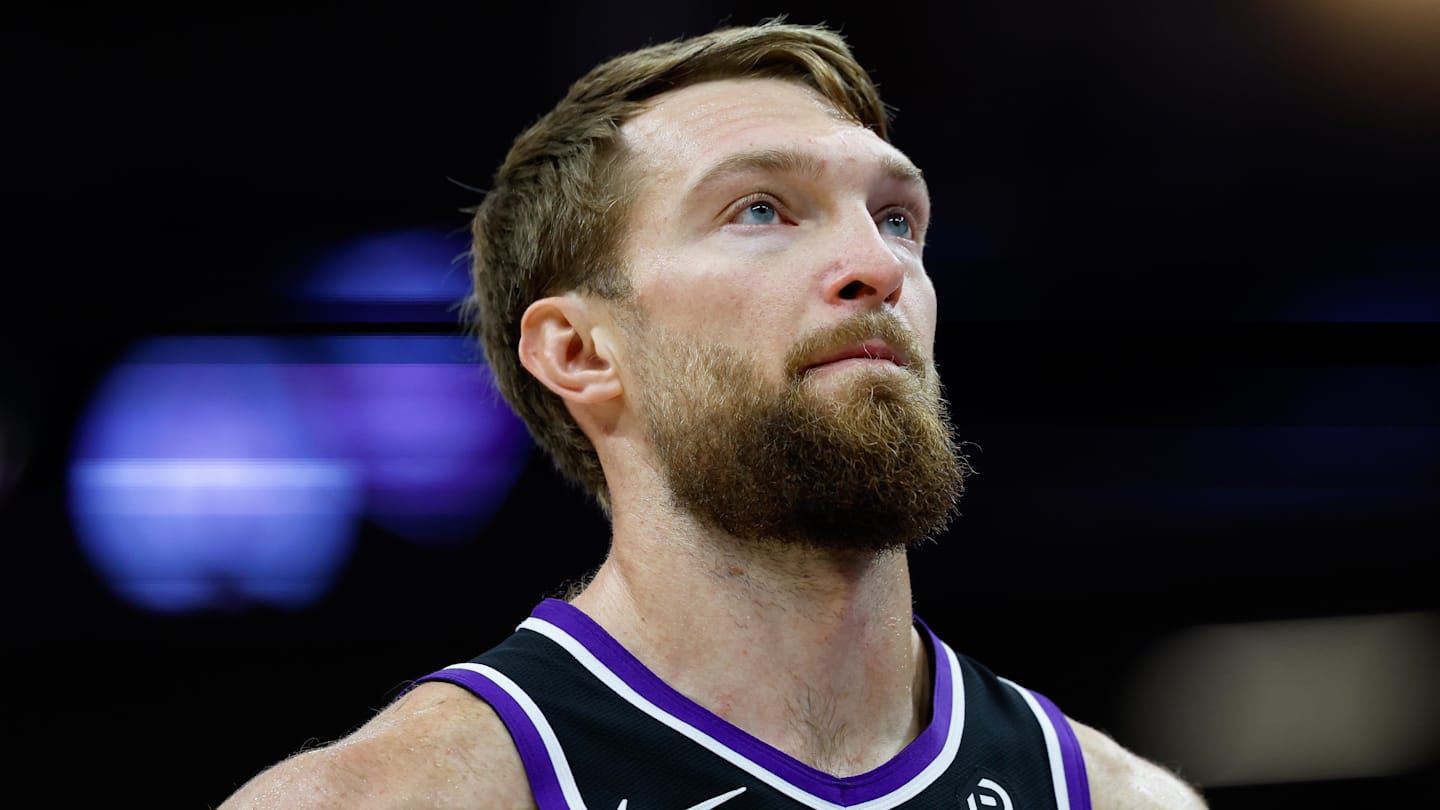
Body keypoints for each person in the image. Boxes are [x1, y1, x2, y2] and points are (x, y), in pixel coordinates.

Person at [219, 19, 1207, 809]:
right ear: (580, 352)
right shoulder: (397, 796)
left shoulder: (1120, 798)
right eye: (761, 210)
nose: (876, 265)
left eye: (896, 218)